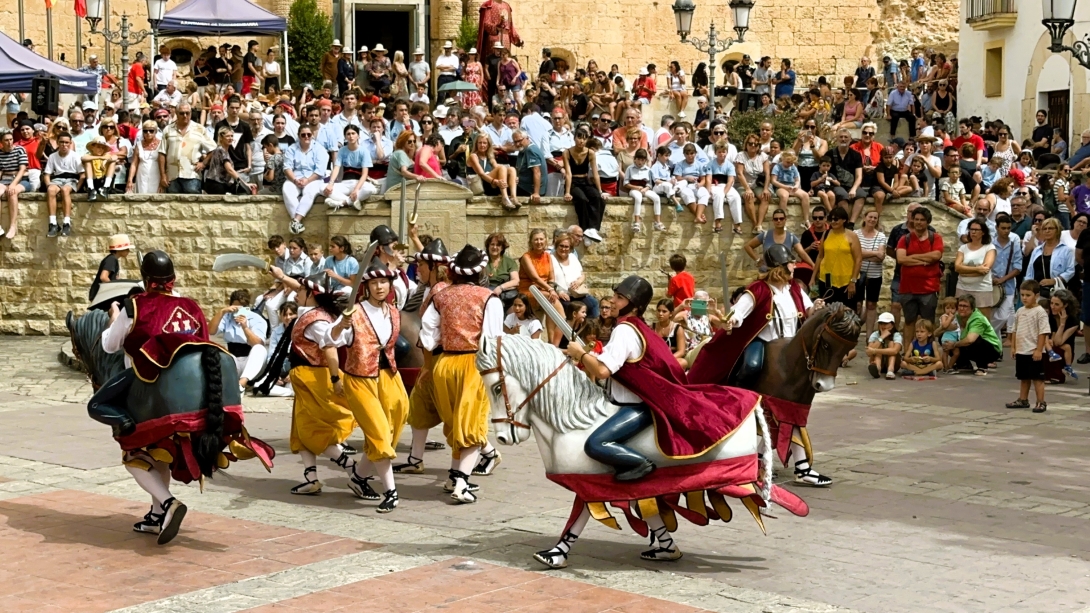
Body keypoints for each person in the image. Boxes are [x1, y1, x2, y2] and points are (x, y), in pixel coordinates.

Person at [88, 251, 267, 543]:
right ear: (173, 279)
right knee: (161, 452)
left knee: (102, 410)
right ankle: (157, 513)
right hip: (195, 388)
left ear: (146, 280)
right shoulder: (191, 305)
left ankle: (167, 499)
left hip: (146, 380)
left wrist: (113, 318)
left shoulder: (135, 304)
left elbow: (109, 346)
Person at [687, 244, 830, 486]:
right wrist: (728, 320)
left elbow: (807, 310)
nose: (795, 266)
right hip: (764, 343)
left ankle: (780, 462)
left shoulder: (794, 288)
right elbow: (738, 314)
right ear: (779, 268)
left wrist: (815, 308)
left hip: (790, 351)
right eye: (790, 263)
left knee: (791, 406)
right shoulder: (758, 290)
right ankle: (742, 396)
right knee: (751, 366)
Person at [418, 245, 505, 503]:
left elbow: (428, 335)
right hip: (474, 364)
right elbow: (492, 339)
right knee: (471, 424)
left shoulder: (441, 296)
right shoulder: (489, 298)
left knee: (456, 422)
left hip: (444, 363)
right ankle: (462, 484)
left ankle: (454, 476)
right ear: (479, 271)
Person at [325, 258, 410, 513]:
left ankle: (359, 477)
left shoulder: (394, 311)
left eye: (384, 282)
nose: (380, 287)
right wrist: (341, 325)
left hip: (388, 375)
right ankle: (391, 492)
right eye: (374, 283)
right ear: (366, 286)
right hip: (360, 379)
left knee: (398, 416)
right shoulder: (355, 312)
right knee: (379, 432)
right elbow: (330, 339)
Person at [209, 289, 268, 390]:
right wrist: (222, 312)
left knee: (260, 349)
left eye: (240, 309)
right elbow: (210, 331)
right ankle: (232, 382)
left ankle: (242, 383)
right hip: (234, 359)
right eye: (235, 308)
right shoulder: (227, 317)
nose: (237, 312)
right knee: (216, 351)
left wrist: (245, 327)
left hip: (251, 362)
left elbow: (258, 343)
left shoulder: (257, 319)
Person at [896, 206, 944, 329]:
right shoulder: (904, 239)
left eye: (922, 220)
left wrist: (912, 257)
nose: (918, 222)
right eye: (916, 219)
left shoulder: (935, 238)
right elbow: (901, 259)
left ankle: (928, 348)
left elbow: (936, 255)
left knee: (928, 323)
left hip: (929, 288)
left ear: (928, 222)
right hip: (908, 288)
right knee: (909, 322)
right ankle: (907, 349)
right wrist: (924, 260)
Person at [1007, 280, 1050, 412]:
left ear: (1036, 295)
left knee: (1037, 378)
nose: (1024, 298)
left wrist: (1038, 350)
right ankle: (1023, 399)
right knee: (1023, 377)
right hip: (1022, 350)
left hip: (1034, 351)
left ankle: (1041, 401)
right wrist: (1014, 347)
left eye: (1028, 295)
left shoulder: (1040, 312)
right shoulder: (1019, 311)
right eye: (1022, 295)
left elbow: (1043, 332)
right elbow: (1015, 330)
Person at [813, 206, 862, 307]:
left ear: (844, 220)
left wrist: (853, 281)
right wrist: (813, 277)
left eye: (836, 219)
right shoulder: (826, 234)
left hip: (847, 279)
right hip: (827, 277)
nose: (833, 222)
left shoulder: (852, 236)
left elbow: (858, 259)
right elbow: (820, 256)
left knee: (847, 311)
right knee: (827, 310)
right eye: (831, 219)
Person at [563, 127, 605, 242]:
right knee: (582, 199)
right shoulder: (567, 152)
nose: (581, 141)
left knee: (597, 197)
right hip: (573, 182)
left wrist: (600, 190)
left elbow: (595, 173)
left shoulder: (590, 153)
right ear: (574, 138)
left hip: (585, 181)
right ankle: (584, 230)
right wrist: (567, 192)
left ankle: (592, 229)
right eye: (579, 137)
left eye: (584, 138)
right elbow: (568, 173)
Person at [946, 293, 1003, 376]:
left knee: (975, 340)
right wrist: (943, 328)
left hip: (992, 350)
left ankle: (982, 367)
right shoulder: (957, 316)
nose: (962, 308)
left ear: (972, 308)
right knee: (945, 337)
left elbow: (970, 340)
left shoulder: (978, 318)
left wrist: (954, 345)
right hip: (972, 347)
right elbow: (937, 333)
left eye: (965, 306)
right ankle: (964, 365)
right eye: (960, 305)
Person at [322, 124, 376, 210]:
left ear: (358, 135)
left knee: (370, 189)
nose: (351, 136)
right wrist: (330, 183)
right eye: (348, 134)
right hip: (345, 184)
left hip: (359, 183)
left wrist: (356, 190)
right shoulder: (342, 150)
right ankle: (351, 201)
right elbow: (336, 168)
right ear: (345, 136)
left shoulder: (364, 151)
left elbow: (365, 174)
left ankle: (342, 203)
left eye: (353, 133)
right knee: (323, 188)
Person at [954, 218, 997, 319]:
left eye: (976, 230)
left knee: (982, 321)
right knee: (963, 320)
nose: (973, 232)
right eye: (971, 229)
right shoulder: (963, 248)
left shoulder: (989, 248)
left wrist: (964, 271)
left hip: (981, 289)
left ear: (983, 232)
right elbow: (957, 267)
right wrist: (977, 269)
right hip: (963, 288)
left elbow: (985, 269)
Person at [1024, 217, 1075, 300]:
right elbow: (1029, 271)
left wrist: (1054, 280)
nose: (1047, 231)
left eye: (1050, 228)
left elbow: (1070, 271)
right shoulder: (1037, 250)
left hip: (1056, 292)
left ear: (1057, 230)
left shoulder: (1066, 250)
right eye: (1044, 229)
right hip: (1036, 292)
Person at [43, 132, 83, 238]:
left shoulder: (75, 156)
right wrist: (48, 185)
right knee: (51, 190)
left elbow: (82, 175)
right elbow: (47, 174)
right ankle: (53, 223)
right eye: (61, 142)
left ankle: (66, 223)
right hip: (57, 179)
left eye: (66, 142)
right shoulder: (52, 156)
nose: (64, 145)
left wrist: (77, 188)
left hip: (71, 179)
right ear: (57, 143)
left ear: (70, 143)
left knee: (65, 190)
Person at [855, 210, 887, 336]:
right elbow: (854, 254)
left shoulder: (881, 236)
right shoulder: (855, 234)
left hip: (875, 274)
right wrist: (874, 253)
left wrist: (862, 255)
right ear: (864, 217)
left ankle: (869, 334)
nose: (872, 220)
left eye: (875, 218)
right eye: (870, 217)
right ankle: (853, 331)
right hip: (857, 273)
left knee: (871, 304)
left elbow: (881, 256)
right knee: (857, 304)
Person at [990, 213, 1023, 334]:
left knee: (1003, 316)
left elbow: (1018, 268)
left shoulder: (1015, 244)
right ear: (997, 228)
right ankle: (994, 345)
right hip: (991, 284)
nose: (1006, 231)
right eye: (1003, 228)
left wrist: (1003, 279)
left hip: (1008, 286)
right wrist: (992, 278)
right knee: (991, 314)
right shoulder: (990, 244)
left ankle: (984, 334)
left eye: (1008, 228)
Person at [469, 132, 519, 209]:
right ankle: (505, 198)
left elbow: (497, 167)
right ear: (476, 144)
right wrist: (495, 181)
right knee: (501, 168)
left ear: (488, 144)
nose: (482, 145)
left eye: (485, 143)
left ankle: (513, 197)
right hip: (483, 183)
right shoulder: (473, 156)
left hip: (493, 183)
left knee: (511, 169)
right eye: (480, 143)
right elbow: (481, 174)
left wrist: (512, 177)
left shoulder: (490, 157)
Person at [1046, 289, 1081, 383]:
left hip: (1065, 352)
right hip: (1050, 346)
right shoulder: (1050, 317)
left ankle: (1058, 376)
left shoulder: (1073, 320)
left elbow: (1058, 342)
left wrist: (1062, 324)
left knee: (1056, 350)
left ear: (1065, 305)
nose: (1053, 307)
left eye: (1057, 304)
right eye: (1051, 303)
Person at [89, 234, 133, 302]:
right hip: (100, 297)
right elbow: (103, 277)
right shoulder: (111, 259)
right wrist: (114, 289)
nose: (129, 251)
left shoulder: (113, 259)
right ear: (119, 249)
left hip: (101, 296)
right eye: (127, 249)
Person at [865, 312, 903, 379]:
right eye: (881, 323)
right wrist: (881, 337)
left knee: (891, 343)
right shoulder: (875, 334)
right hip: (879, 362)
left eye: (885, 323)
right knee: (878, 344)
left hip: (894, 364)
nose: (883, 326)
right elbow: (868, 352)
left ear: (892, 325)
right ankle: (877, 369)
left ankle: (890, 370)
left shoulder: (896, 335)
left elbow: (895, 351)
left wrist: (875, 350)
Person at [653, 298, 688, 368]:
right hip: (656, 358)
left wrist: (667, 359)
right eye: (659, 310)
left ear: (671, 314)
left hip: (672, 358)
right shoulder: (652, 328)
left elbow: (681, 351)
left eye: (664, 311)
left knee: (683, 362)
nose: (660, 314)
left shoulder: (677, 329)